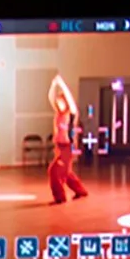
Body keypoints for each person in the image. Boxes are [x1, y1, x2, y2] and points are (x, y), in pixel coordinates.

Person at [47, 73, 88, 204]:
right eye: (57, 103)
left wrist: (62, 84)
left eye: (61, 102)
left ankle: (60, 198)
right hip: (59, 147)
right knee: (66, 173)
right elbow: (50, 98)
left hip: (67, 148)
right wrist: (53, 85)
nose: (58, 104)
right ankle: (81, 191)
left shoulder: (71, 113)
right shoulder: (58, 113)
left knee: (54, 171)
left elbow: (70, 99)